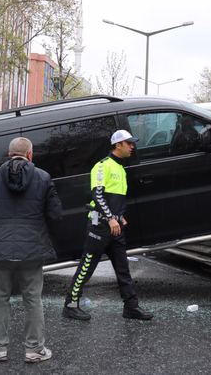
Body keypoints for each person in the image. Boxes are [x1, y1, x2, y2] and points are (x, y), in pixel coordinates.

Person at [0, 137, 62, 363]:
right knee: (33, 299)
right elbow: (56, 215)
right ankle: (34, 350)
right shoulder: (43, 177)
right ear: (30, 155)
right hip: (32, 250)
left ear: (9, 154)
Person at [62, 129, 153, 321]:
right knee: (86, 267)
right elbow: (98, 195)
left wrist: (120, 216)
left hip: (115, 226)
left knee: (123, 269)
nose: (132, 147)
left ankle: (131, 307)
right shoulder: (102, 166)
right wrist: (111, 217)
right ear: (117, 145)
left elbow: (115, 198)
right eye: (129, 143)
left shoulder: (120, 168)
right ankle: (70, 305)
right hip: (100, 227)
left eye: (132, 143)